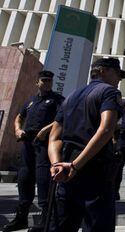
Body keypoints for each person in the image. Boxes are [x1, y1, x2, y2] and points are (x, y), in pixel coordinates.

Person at [48, 57, 125, 232]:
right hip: (94, 169)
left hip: (66, 170)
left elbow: (54, 136)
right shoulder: (109, 92)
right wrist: (76, 165)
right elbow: (106, 129)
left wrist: (56, 164)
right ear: (103, 71)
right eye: (118, 74)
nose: (119, 80)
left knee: (63, 225)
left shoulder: (70, 96)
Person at [3, 71, 64, 232]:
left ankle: (45, 221)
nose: (47, 82)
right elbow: (19, 117)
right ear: (37, 82)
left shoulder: (57, 100)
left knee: (44, 180)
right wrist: (17, 129)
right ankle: (21, 218)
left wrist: (45, 130)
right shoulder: (31, 101)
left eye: (50, 80)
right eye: (44, 80)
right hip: (28, 144)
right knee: (24, 179)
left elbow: (63, 117)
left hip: (44, 145)